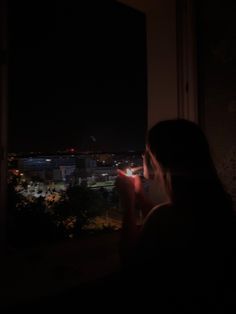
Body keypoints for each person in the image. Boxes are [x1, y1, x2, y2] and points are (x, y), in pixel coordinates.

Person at [116, 119, 236, 311]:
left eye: (148, 150)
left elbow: (130, 263)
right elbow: (169, 229)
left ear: (159, 159)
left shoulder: (165, 216)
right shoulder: (217, 207)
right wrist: (142, 198)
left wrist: (127, 204)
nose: (143, 156)